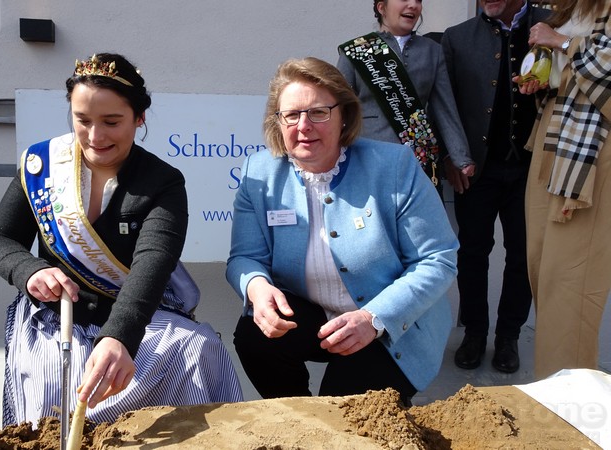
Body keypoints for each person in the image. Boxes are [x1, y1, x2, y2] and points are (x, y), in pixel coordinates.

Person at [0, 53, 242, 426]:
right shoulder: (42, 165)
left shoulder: (163, 182)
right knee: (54, 375)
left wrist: (119, 337)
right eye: (82, 120)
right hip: (58, 316)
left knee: (199, 350)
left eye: (111, 122)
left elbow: (152, 265)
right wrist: (29, 270)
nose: (95, 136)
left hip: (133, 313)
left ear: (139, 119)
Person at [226, 57, 458, 406]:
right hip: (316, 314)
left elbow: (437, 260)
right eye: (292, 115)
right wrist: (256, 287)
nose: (303, 126)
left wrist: (373, 318)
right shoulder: (259, 173)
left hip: (390, 329)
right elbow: (245, 257)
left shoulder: (394, 166)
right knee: (253, 338)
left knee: (345, 411)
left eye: (319, 112)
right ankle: (298, 419)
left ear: (344, 115)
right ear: (278, 121)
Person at [441, 0, 550, 373]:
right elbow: (445, 105)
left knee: (523, 256)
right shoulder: (457, 39)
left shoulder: (553, 26)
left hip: (532, 169)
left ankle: (509, 337)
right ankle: (474, 333)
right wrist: (449, 159)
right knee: (472, 254)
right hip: (476, 169)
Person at [516, 0, 611, 379]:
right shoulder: (572, 9)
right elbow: (571, 77)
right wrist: (541, 79)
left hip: (590, 157)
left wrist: (560, 42)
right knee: (544, 271)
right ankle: (554, 387)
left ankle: (568, 399)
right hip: (555, 143)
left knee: (572, 282)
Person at [337, 0, 475, 194]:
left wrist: (461, 157)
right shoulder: (356, 50)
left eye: (418, 0)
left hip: (418, 160)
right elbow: (338, 109)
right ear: (381, 7)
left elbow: (445, 108)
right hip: (370, 157)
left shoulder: (432, 51)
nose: (413, 5)